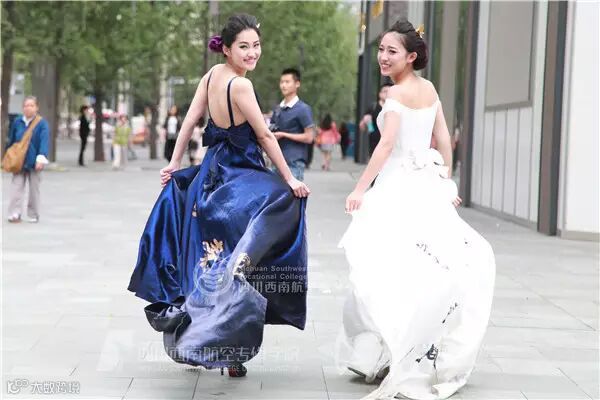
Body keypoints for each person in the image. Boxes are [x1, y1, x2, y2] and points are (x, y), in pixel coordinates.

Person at [128, 14, 310, 378]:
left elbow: (190, 121)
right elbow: (264, 136)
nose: (252, 52)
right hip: (237, 181)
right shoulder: (241, 86)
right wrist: (290, 178)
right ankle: (227, 349)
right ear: (226, 49)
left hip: (209, 178)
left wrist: (175, 163)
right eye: (243, 46)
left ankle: (204, 342)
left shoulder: (212, 75)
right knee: (263, 229)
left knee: (210, 264)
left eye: (256, 45)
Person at [337, 21, 495, 399]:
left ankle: (387, 350)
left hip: (396, 187)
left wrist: (360, 188)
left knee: (384, 267)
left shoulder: (395, 93)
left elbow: (386, 145)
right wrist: (445, 179)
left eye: (391, 51)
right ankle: (403, 349)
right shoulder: (430, 89)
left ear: (411, 56)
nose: (383, 57)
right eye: (381, 49)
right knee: (421, 266)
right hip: (426, 186)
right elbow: (443, 138)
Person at [6, 96, 50, 223]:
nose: (28, 108)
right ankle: (14, 213)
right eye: (25, 105)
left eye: (31, 105)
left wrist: (41, 158)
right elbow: (12, 140)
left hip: (34, 161)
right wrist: (9, 156)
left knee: (34, 189)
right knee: (16, 187)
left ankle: (33, 214)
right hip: (19, 161)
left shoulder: (42, 124)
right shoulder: (17, 122)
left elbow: (44, 141)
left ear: (36, 108)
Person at [269, 68, 314, 181]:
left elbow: (309, 137)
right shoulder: (278, 109)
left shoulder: (303, 109)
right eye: (281, 82)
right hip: (276, 163)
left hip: (294, 163)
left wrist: (284, 135)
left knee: (292, 193)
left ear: (297, 84)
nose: (283, 85)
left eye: (287, 82)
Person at [360, 82, 393, 158]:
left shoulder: (396, 108)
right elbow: (362, 127)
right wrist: (366, 122)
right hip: (375, 143)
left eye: (389, 92)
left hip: (391, 144)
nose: (387, 94)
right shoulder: (373, 107)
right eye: (385, 91)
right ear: (380, 94)